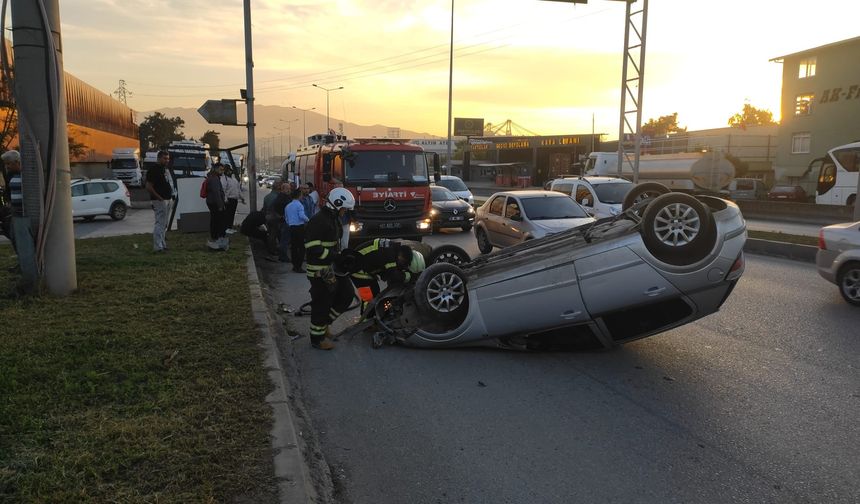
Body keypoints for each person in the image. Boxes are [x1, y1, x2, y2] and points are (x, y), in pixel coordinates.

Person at [304, 187, 357, 350]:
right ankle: (317, 339)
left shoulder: (332, 218)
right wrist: (334, 256)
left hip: (330, 268)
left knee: (347, 294)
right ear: (336, 204)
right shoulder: (319, 220)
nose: (345, 212)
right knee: (322, 302)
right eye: (344, 209)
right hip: (319, 270)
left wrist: (343, 256)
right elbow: (312, 247)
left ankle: (325, 324)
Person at [337, 239, 426, 310]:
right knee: (370, 296)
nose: (404, 267)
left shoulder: (394, 248)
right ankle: (367, 322)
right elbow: (394, 276)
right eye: (405, 266)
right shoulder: (390, 256)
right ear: (402, 258)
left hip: (364, 265)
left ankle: (372, 317)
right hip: (357, 269)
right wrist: (409, 276)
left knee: (375, 292)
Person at [145, 150, 173, 253]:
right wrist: (159, 197)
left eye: (168, 158)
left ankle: (163, 244)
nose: (167, 160)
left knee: (164, 223)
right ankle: (158, 247)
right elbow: (148, 186)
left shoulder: (164, 169)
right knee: (160, 223)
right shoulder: (154, 170)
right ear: (159, 158)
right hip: (159, 200)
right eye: (165, 158)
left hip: (167, 199)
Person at [0, 150, 22, 251]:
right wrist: (9, 201)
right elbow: (8, 191)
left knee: (18, 236)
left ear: (17, 162)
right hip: (14, 210)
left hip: (23, 211)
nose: (7, 166)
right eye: (6, 164)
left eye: (9, 164)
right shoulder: (10, 175)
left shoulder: (25, 175)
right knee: (13, 235)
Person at [285, 189, 309, 273]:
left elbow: (286, 218)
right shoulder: (299, 205)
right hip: (299, 227)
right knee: (301, 248)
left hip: (291, 228)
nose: (302, 196)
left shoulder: (288, 206)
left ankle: (294, 265)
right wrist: (309, 220)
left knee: (294, 247)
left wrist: (290, 224)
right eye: (301, 195)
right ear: (299, 196)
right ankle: (299, 266)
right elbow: (302, 216)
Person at [205, 163, 228, 250]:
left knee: (215, 220)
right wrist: (220, 205)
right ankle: (217, 237)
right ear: (215, 169)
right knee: (218, 221)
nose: (222, 171)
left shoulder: (212, 177)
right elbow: (216, 193)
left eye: (223, 170)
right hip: (215, 203)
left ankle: (215, 237)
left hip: (212, 202)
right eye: (221, 169)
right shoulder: (214, 178)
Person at [222, 166, 244, 231]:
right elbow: (223, 190)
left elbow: (238, 189)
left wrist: (242, 198)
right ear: (225, 172)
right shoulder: (224, 179)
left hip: (234, 200)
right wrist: (225, 199)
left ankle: (230, 227)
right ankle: (226, 228)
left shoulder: (234, 179)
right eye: (228, 171)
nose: (230, 172)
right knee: (227, 215)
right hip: (228, 200)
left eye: (230, 170)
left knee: (232, 214)